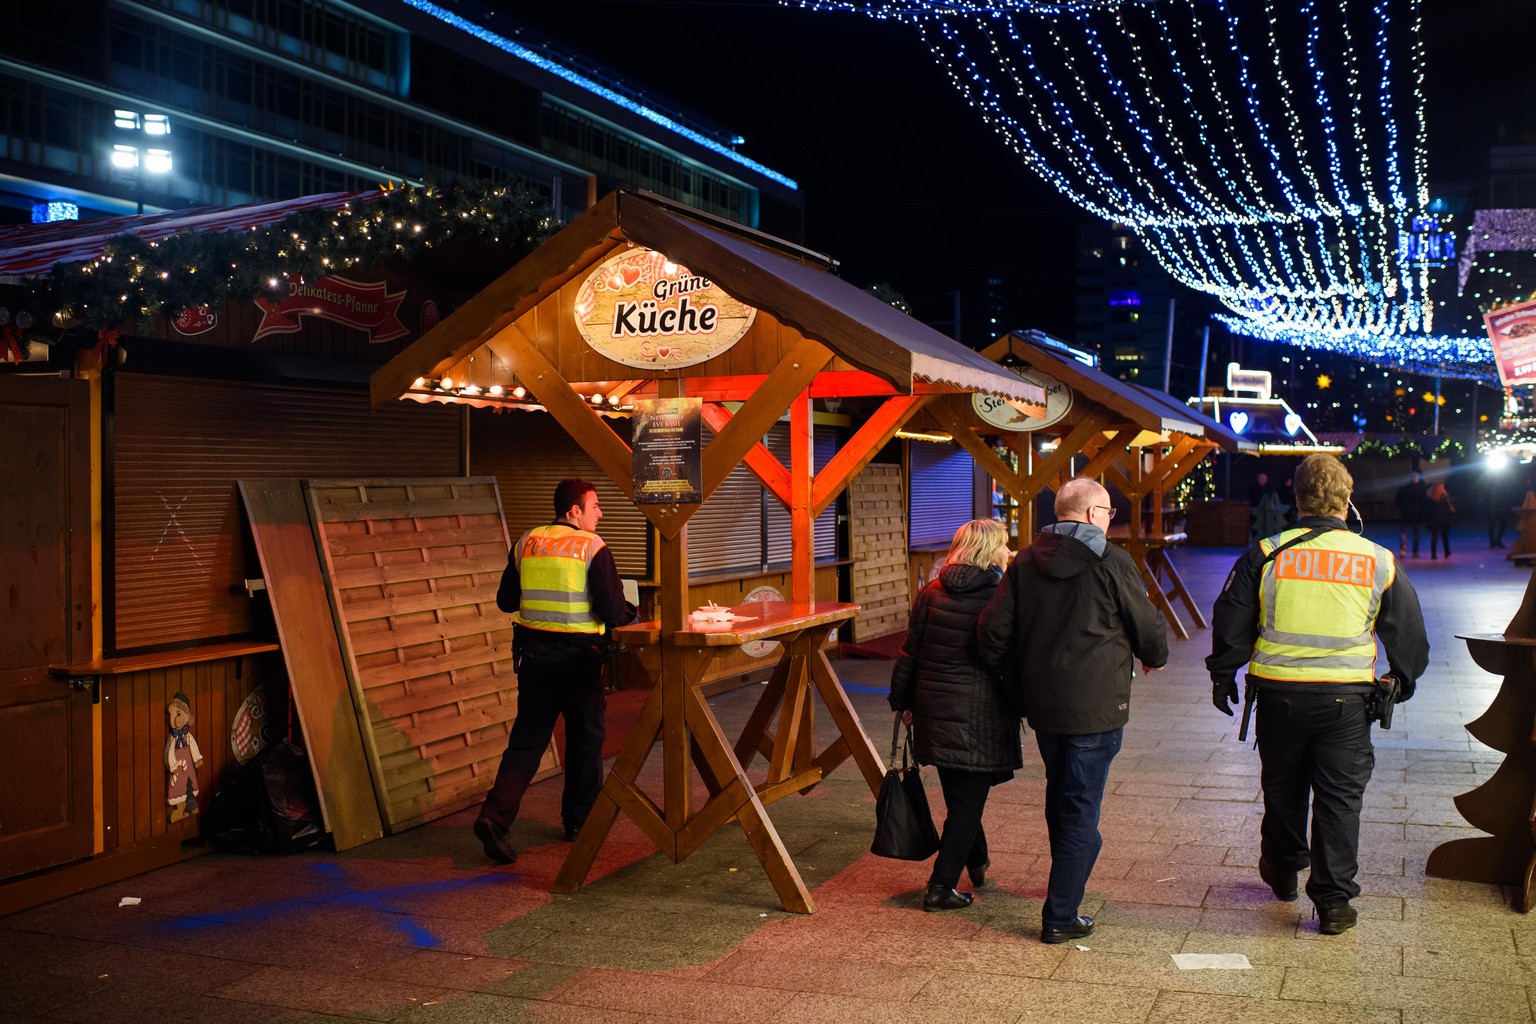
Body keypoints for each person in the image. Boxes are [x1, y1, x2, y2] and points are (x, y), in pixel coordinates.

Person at [1208, 454, 1428, 936]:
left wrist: (1223, 674)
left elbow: (1230, 617)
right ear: (1347, 502)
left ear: (1299, 499)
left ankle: (1284, 870)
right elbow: (1409, 633)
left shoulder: (1267, 552)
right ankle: (1333, 903)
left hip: (1279, 698)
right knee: (1340, 800)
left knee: (1283, 788)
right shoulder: (1377, 559)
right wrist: (1401, 680)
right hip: (1347, 703)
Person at [978, 478, 1169, 944]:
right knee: (1080, 806)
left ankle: (1070, 869)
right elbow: (1150, 632)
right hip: (1097, 707)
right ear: (1088, 514)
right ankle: (1061, 913)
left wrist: (1014, 677)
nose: (1111, 519)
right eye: (1107, 511)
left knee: (1062, 794)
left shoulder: (1023, 562)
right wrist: (1149, 653)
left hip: (1044, 706)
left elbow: (992, 634)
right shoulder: (1112, 561)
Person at [474, 478, 633, 863]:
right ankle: (579, 822)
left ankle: (494, 818)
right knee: (584, 739)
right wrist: (634, 616)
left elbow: (506, 601)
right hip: (580, 660)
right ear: (574, 511)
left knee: (527, 742)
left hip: (534, 660)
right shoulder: (591, 547)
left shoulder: (526, 542)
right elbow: (614, 613)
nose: (600, 513)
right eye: (595, 506)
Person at [888, 519, 1019, 913]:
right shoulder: (1000, 594)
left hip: (933, 709)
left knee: (962, 795)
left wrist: (903, 702)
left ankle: (976, 860)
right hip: (979, 712)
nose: (1009, 553)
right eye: (1004, 545)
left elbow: (910, 652)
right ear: (987, 550)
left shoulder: (931, 592)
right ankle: (942, 885)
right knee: (966, 803)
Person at [1394, 471, 1427, 558]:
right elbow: (1424, 502)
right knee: (1414, 534)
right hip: (1415, 515)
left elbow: (1397, 501)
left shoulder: (1403, 489)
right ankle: (1414, 553)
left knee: (1404, 534)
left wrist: (1403, 508)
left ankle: (1403, 551)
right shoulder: (1420, 491)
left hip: (1406, 515)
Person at [1425, 481, 1454, 560]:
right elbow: (1450, 509)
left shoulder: (1431, 498)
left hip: (1434, 520)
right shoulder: (1444, 498)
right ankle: (1447, 552)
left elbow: (1428, 510)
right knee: (1445, 537)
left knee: (1434, 537)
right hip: (1444, 520)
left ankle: (1433, 554)